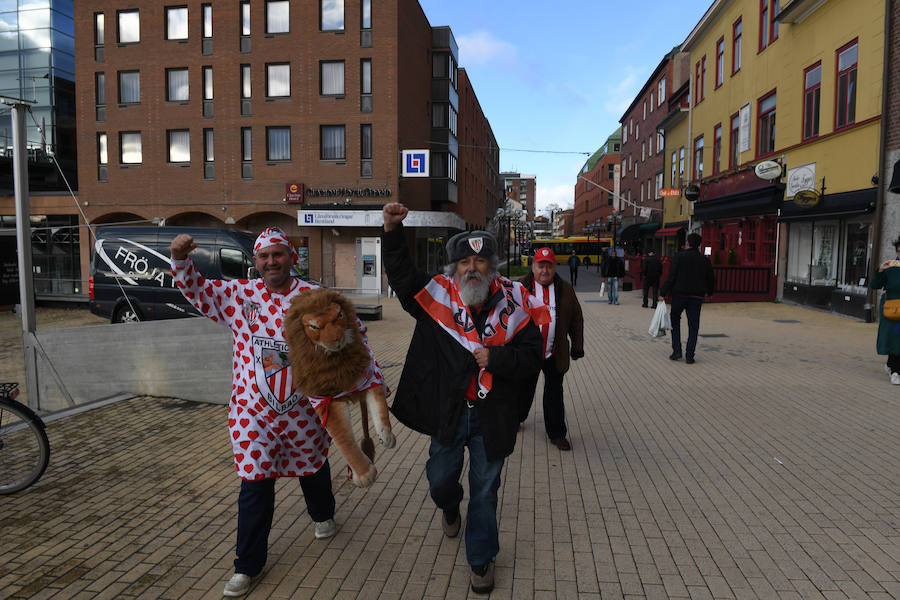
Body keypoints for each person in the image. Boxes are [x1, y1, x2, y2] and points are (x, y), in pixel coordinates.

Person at [170, 227, 345, 598]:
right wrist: (180, 259)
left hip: (303, 410)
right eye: (263, 256)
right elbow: (197, 290)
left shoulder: (313, 298)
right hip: (254, 413)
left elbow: (343, 341)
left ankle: (323, 513)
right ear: (256, 262)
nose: (270, 262)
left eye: (277, 255)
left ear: (292, 258)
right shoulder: (240, 295)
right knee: (255, 481)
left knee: (312, 467)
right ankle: (247, 566)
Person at [381, 202, 543, 594]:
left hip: (493, 415)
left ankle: (481, 559)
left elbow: (533, 356)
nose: (473, 268)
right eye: (465, 261)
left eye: (481, 261)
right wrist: (391, 229)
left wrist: (497, 357)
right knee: (440, 481)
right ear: (453, 268)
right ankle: (450, 507)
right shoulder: (436, 298)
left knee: (485, 491)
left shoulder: (516, 304)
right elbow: (402, 275)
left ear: (493, 266)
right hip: (451, 413)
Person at [518, 247, 584, 451]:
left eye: (549, 266)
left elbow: (576, 319)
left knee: (554, 394)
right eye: (540, 265)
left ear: (554, 267)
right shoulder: (520, 287)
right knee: (522, 389)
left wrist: (577, 347)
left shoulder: (565, 288)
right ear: (533, 266)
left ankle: (557, 433)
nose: (544, 270)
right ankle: (516, 418)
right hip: (527, 353)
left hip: (555, 352)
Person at [659, 232, 715, 364]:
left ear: (688, 243)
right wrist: (709, 292)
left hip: (679, 294)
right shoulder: (705, 260)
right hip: (696, 296)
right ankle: (690, 355)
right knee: (694, 326)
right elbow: (710, 279)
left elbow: (671, 276)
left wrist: (663, 292)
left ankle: (677, 351)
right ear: (699, 245)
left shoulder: (679, 257)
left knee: (675, 322)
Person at [871, 237, 900, 385]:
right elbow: (874, 285)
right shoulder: (891, 267)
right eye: (899, 251)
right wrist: (880, 270)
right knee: (894, 338)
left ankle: (890, 365)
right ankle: (896, 371)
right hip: (892, 309)